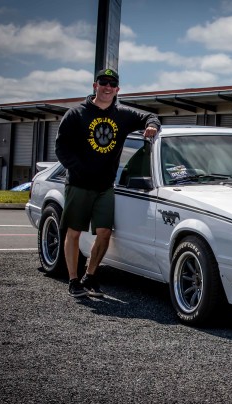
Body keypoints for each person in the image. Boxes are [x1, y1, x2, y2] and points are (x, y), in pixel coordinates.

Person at [55, 68, 160, 298]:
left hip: (105, 186)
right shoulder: (76, 114)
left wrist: (152, 125)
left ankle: (90, 276)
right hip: (79, 184)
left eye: (112, 84)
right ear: (95, 86)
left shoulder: (122, 114)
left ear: (117, 89)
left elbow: (149, 117)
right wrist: (79, 169)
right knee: (74, 232)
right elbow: (61, 147)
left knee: (104, 233)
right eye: (103, 82)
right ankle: (73, 280)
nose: (108, 87)